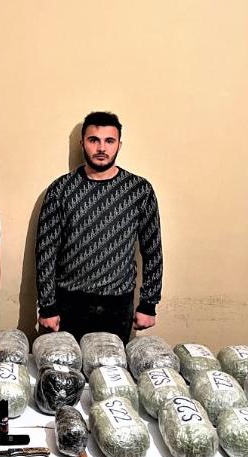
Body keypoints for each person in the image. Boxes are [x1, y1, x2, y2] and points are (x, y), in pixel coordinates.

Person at [36, 111, 163, 342]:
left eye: (109, 141)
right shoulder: (60, 189)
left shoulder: (139, 190)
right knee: (65, 365)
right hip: (69, 304)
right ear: (82, 143)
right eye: (94, 140)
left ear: (119, 145)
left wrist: (148, 304)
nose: (101, 148)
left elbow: (152, 249)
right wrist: (47, 306)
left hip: (118, 305)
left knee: (112, 364)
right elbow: (46, 251)